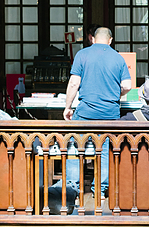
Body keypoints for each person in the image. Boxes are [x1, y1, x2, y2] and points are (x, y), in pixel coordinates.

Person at [46, 27, 131, 212]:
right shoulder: (118, 57)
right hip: (110, 115)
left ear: (93, 39)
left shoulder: (82, 55)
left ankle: (72, 188)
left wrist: (68, 107)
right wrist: (116, 92)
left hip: (85, 114)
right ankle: (99, 190)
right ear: (110, 40)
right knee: (105, 151)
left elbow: (74, 83)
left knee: (75, 149)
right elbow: (127, 85)